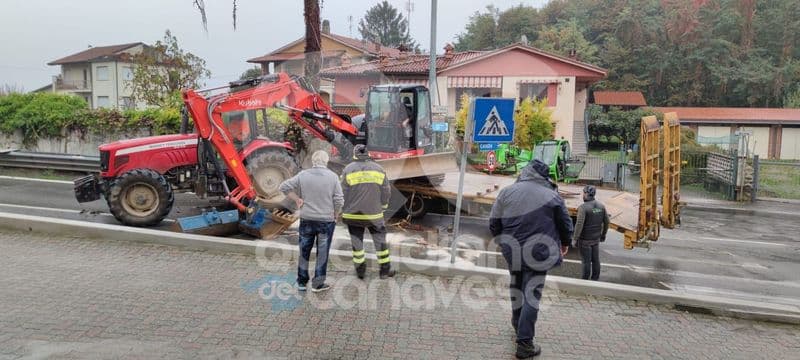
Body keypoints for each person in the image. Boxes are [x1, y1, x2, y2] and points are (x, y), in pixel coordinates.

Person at [489, 159, 573, 359]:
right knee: (531, 294)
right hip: (539, 252)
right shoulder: (552, 196)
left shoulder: (507, 192)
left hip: (512, 249)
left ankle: (518, 324)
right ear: (544, 176)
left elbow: (493, 222)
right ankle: (525, 343)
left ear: (525, 172)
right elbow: (565, 224)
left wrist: (502, 241)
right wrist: (565, 243)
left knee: (516, 286)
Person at [279, 150, 344, 293]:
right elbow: (339, 199)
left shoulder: (303, 175)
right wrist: (336, 214)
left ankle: (302, 282)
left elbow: (283, 187)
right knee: (322, 252)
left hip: (307, 219)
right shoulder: (333, 177)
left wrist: (297, 199)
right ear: (326, 161)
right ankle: (318, 284)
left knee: (304, 250)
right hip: (326, 221)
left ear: (313, 161)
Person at [341, 144, 395, 279]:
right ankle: (384, 271)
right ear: (368, 154)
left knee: (357, 243)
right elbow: (386, 191)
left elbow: (342, 193)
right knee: (380, 242)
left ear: (355, 154)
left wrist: (342, 209)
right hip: (374, 215)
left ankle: (360, 272)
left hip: (352, 215)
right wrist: (383, 206)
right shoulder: (379, 169)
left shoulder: (347, 170)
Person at [572, 185, 610, 281]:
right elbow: (607, 222)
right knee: (596, 260)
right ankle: (595, 280)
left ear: (586, 194)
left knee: (586, 262)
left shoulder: (583, 208)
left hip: (585, 240)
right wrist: (603, 235)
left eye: (583, 193)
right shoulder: (601, 206)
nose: (583, 195)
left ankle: (584, 282)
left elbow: (579, 224)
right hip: (596, 239)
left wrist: (575, 239)